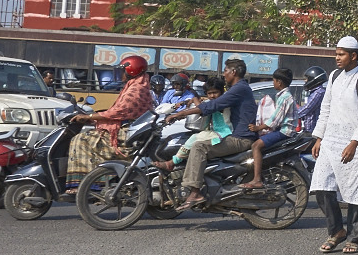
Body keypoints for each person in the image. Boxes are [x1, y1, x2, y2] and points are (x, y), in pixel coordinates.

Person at [310, 36, 358, 254]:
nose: (337, 58)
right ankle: (337, 231)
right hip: (331, 142)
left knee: (356, 193)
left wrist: (354, 143)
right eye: (336, 54)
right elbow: (326, 108)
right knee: (321, 187)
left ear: (354, 56)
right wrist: (319, 137)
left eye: (341, 54)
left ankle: (354, 238)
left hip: (357, 146)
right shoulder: (334, 76)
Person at [162, 58, 256, 209]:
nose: (224, 74)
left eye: (225, 71)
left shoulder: (239, 89)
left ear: (234, 72)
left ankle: (195, 192)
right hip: (238, 135)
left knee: (199, 147)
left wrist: (180, 114)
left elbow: (213, 105)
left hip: (241, 138)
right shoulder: (239, 88)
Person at [68, 56, 157, 184]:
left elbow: (118, 112)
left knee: (80, 140)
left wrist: (90, 117)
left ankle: (86, 183)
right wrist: (92, 118)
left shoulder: (136, 90)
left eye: (123, 71)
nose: (120, 74)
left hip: (127, 134)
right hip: (129, 131)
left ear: (131, 71)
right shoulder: (135, 86)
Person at [242, 68, 297, 190]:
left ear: (279, 82)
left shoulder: (285, 97)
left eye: (274, 81)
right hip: (281, 129)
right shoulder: (283, 96)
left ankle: (257, 179)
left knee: (256, 146)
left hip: (284, 131)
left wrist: (258, 127)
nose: (273, 83)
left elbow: (275, 120)